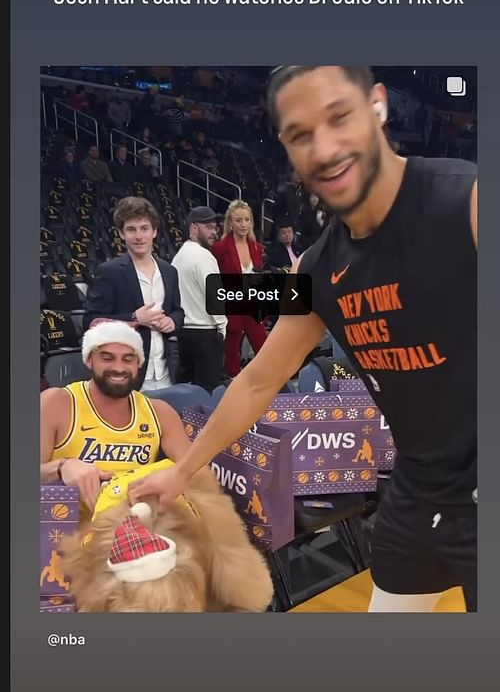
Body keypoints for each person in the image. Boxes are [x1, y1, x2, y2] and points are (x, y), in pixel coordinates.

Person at [128, 65, 477, 615]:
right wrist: (182, 470)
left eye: (340, 117)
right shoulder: (315, 268)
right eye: (300, 134)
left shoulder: (468, 200)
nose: (326, 146)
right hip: (420, 488)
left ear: (378, 106)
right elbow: (258, 380)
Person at [40, 321, 190, 512]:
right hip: (68, 528)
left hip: (140, 528)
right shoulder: (56, 402)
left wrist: (172, 476)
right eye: (107, 358)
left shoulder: (159, 412)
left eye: (128, 359)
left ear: (139, 364)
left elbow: (197, 472)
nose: (119, 368)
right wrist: (61, 467)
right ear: (89, 360)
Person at [83, 196, 184, 391]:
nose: (139, 236)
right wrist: (134, 318)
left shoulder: (169, 271)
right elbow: (90, 321)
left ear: (154, 232)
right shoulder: (109, 272)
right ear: (121, 234)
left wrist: (172, 321)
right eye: (131, 229)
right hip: (127, 377)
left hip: (166, 375)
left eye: (144, 229)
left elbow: (177, 311)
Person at [171, 206, 227, 392]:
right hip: (206, 333)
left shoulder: (178, 256)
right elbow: (215, 296)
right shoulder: (204, 257)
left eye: (215, 227)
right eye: (209, 227)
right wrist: (222, 326)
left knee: (185, 390)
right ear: (194, 228)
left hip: (184, 331)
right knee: (207, 391)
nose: (214, 232)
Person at [211, 200, 267, 378]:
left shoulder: (257, 247)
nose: (243, 225)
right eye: (238, 220)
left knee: (263, 348)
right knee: (231, 357)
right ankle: (233, 389)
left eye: (247, 220)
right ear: (230, 223)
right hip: (231, 307)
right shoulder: (220, 248)